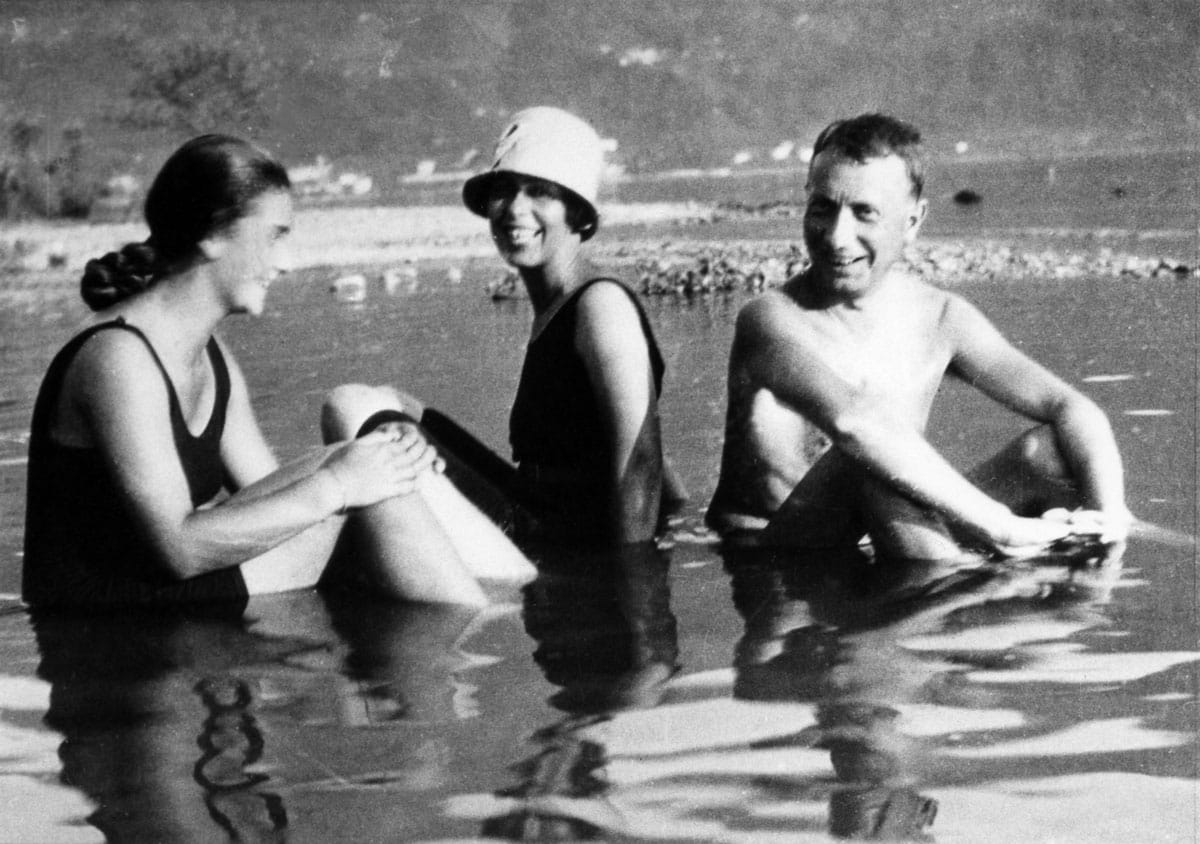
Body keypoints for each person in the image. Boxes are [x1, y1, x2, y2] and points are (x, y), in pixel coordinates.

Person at [23, 134, 532, 611]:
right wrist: (344, 483)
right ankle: (483, 639)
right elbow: (178, 548)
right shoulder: (119, 359)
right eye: (275, 237)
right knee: (362, 482)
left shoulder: (211, 354)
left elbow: (269, 494)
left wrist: (379, 463)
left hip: (174, 592)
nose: (287, 262)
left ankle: (483, 623)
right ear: (212, 235)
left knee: (375, 468)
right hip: (104, 616)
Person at [706, 113, 1131, 561]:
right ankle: (967, 594)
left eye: (864, 213)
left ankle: (1035, 587)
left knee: (1051, 454)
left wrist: (1111, 518)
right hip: (782, 554)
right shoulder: (769, 319)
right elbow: (854, 425)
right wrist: (1000, 526)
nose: (837, 237)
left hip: (893, 536)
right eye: (823, 208)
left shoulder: (942, 316)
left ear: (912, 222)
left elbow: (1072, 408)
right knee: (864, 457)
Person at [412, 106, 684, 547]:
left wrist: (637, 586)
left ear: (576, 212)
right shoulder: (558, 305)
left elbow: (642, 461)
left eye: (539, 192)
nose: (515, 210)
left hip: (567, 541)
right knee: (391, 409)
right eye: (505, 190)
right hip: (540, 513)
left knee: (356, 409)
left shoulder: (600, 305)